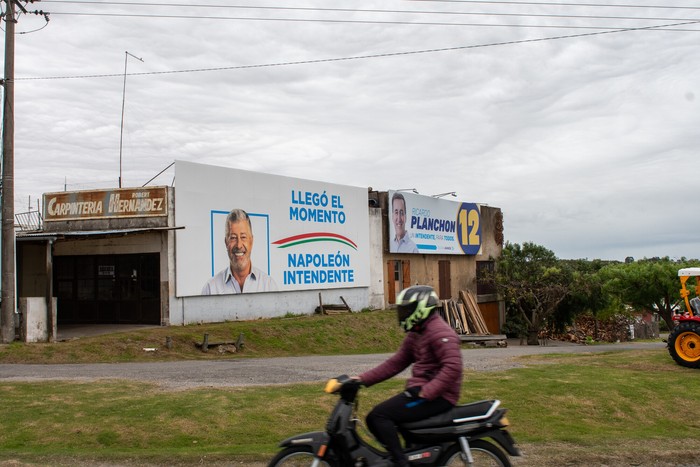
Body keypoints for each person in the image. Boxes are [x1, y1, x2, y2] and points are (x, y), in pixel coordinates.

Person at [355, 285, 462, 467]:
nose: (403, 314)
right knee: (382, 418)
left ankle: (400, 462)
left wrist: (426, 392)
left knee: (379, 416)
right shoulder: (417, 332)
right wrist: (362, 379)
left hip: (438, 396)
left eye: (406, 310)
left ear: (420, 309)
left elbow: (453, 367)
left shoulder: (439, 332)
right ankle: (406, 456)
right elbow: (396, 362)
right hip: (421, 391)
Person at [201, 208, 278, 294]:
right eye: (233, 238)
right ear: (226, 242)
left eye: (243, 237)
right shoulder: (210, 289)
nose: (239, 245)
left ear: (251, 241)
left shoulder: (268, 287)